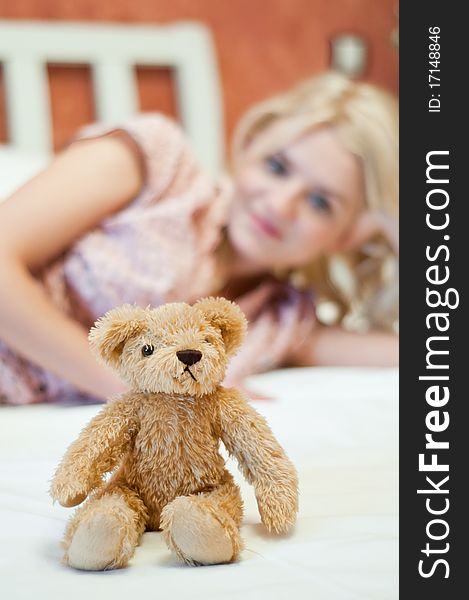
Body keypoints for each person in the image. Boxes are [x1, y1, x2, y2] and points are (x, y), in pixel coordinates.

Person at [0, 71, 398, 405]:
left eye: (319, 202)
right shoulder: (156, 165)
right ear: (249, 143)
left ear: (348, 235)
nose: (279, 205)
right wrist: (136, 380)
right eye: (276, 166)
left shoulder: (282, 322)